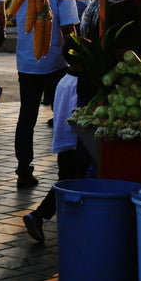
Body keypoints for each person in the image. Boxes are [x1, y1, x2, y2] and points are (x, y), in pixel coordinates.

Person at [12, 0, 80, 189]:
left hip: (27, 63)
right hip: (55, 63)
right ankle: (67, 171)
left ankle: (24, 170)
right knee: (65, 117)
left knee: (27, 117)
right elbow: (69, 28)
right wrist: (77, 57)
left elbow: (15, 16)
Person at [21, 65, 96, 245]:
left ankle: (40, 216)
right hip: (76, 144)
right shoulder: (81, 83)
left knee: (66, 181)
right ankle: (42, 216)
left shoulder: (65, 80)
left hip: (65, 142)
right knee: (73, 181)